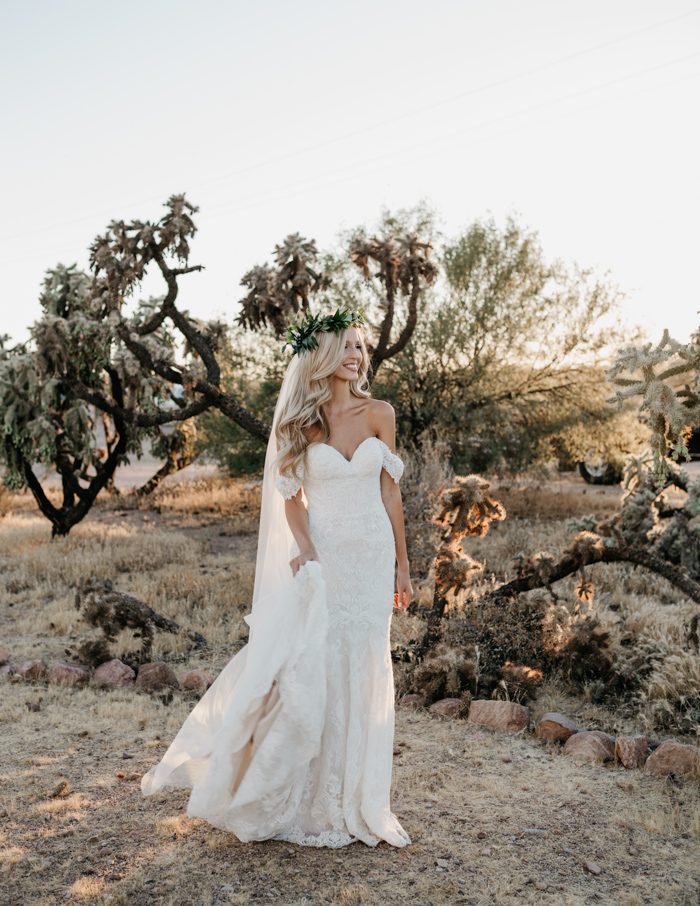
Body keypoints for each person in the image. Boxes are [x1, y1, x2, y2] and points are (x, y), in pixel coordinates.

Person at [141, 306, 413, 849]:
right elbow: (292, 498)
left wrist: (405, 564)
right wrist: (306, 547)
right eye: (350, 347)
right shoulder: (302, 422)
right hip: (326, 557)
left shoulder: (380, 412)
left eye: (362, 347)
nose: (359, 355)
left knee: (363, 661)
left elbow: (389, 492)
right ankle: (303, 791)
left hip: (373, 556)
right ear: (326, 356)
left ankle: (357, 796)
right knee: (315, 660)